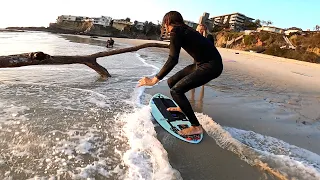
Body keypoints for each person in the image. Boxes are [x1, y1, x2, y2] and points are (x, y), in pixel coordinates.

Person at [138, 11, 223, 135]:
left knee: (176, 91)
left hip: (211, 66)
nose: (165, 27)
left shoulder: (176, 31)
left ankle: (196, 126)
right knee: (171, 82)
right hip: (202, 64)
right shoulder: (185, 30)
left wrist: (154, 80)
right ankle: (183, 107)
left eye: (164, 24)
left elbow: (173, 59)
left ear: (167, 22)